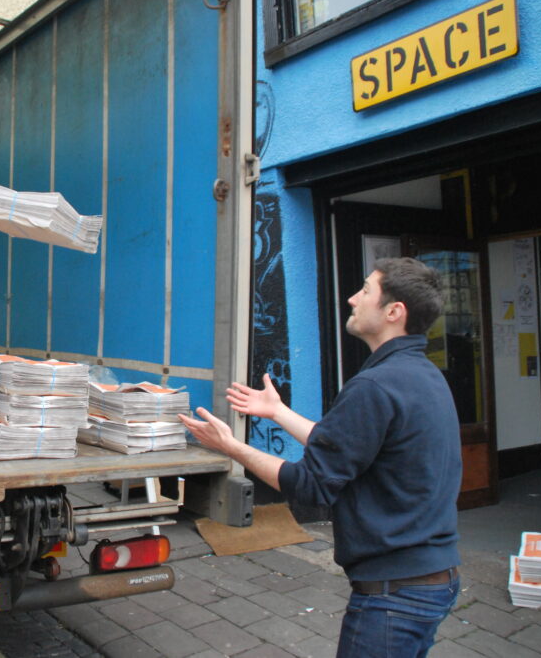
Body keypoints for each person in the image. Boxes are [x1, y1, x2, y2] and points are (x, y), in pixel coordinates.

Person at [180, 257, 461, 658]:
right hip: (432, 580)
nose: (351, 298)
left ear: (394, 312)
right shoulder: (421, 375)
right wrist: (278, 412)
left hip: (393, 595)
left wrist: (230, 447)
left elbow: (310, 487)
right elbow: (345, 446)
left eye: (365, 290)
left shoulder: (376, 386)